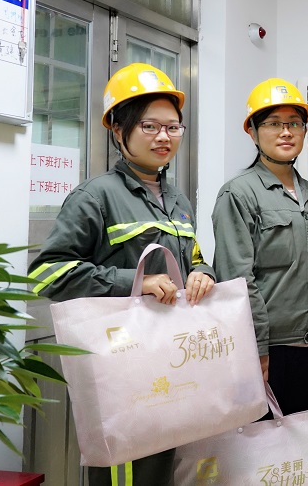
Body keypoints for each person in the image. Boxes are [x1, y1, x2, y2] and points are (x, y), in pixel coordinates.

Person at [28, 62, 215, 485]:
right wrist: (135, 282)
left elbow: (194, 257)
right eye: (150, 126)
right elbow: (46, 273)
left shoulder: (178, 200)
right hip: (123, 369)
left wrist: (203, 272)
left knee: (167, 468)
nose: (164, 137)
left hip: (173, 361)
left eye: (173, 127)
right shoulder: (95, 197)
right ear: (118, 129)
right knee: (127, 473)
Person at [212, 78, 308, 416]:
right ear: (252, 132)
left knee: (292, 438)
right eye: (274, 123)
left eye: (295, 123)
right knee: (260, 440)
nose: (286, 132)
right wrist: (257, 345)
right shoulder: (239, 193)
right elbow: (236, 277)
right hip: (266, 347)